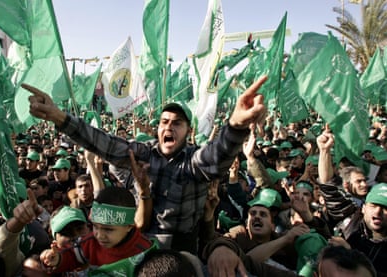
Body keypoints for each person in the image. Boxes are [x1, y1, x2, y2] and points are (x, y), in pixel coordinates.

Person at [23, 75, 268, 254]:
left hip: (183, 252)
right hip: (141, 247)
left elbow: (217, 156)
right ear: (157, 128)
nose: (169, 127)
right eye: (164, 122)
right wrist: (59, 117)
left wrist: (236, 126)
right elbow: (105, 143)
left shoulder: (193, 161)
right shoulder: (143, 153)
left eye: (177, 123)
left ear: (188, 131)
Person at [40, 186, 157, 276]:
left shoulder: (145, 252)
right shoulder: (90, 242)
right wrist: (58, 259)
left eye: (108, 229)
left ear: (129, 226)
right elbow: (71, 255)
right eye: (95, 226)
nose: (100, 235)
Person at [317, 129, 387, 275]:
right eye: (373, 205)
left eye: (385, 208)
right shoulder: (351, 222)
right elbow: (328, 185)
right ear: (363, 208)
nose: (378, 212)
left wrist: (351, 255)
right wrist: (324, 151)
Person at [203, 188, 310, 275]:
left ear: (273, 226)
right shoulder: (239, 234)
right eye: (252, 214)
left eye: (263, 214)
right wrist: (222, 247)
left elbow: (316, 245)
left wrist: (307, 216)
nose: (257, 217)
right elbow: (217, 240)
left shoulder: (285, 239)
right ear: (246, 224)